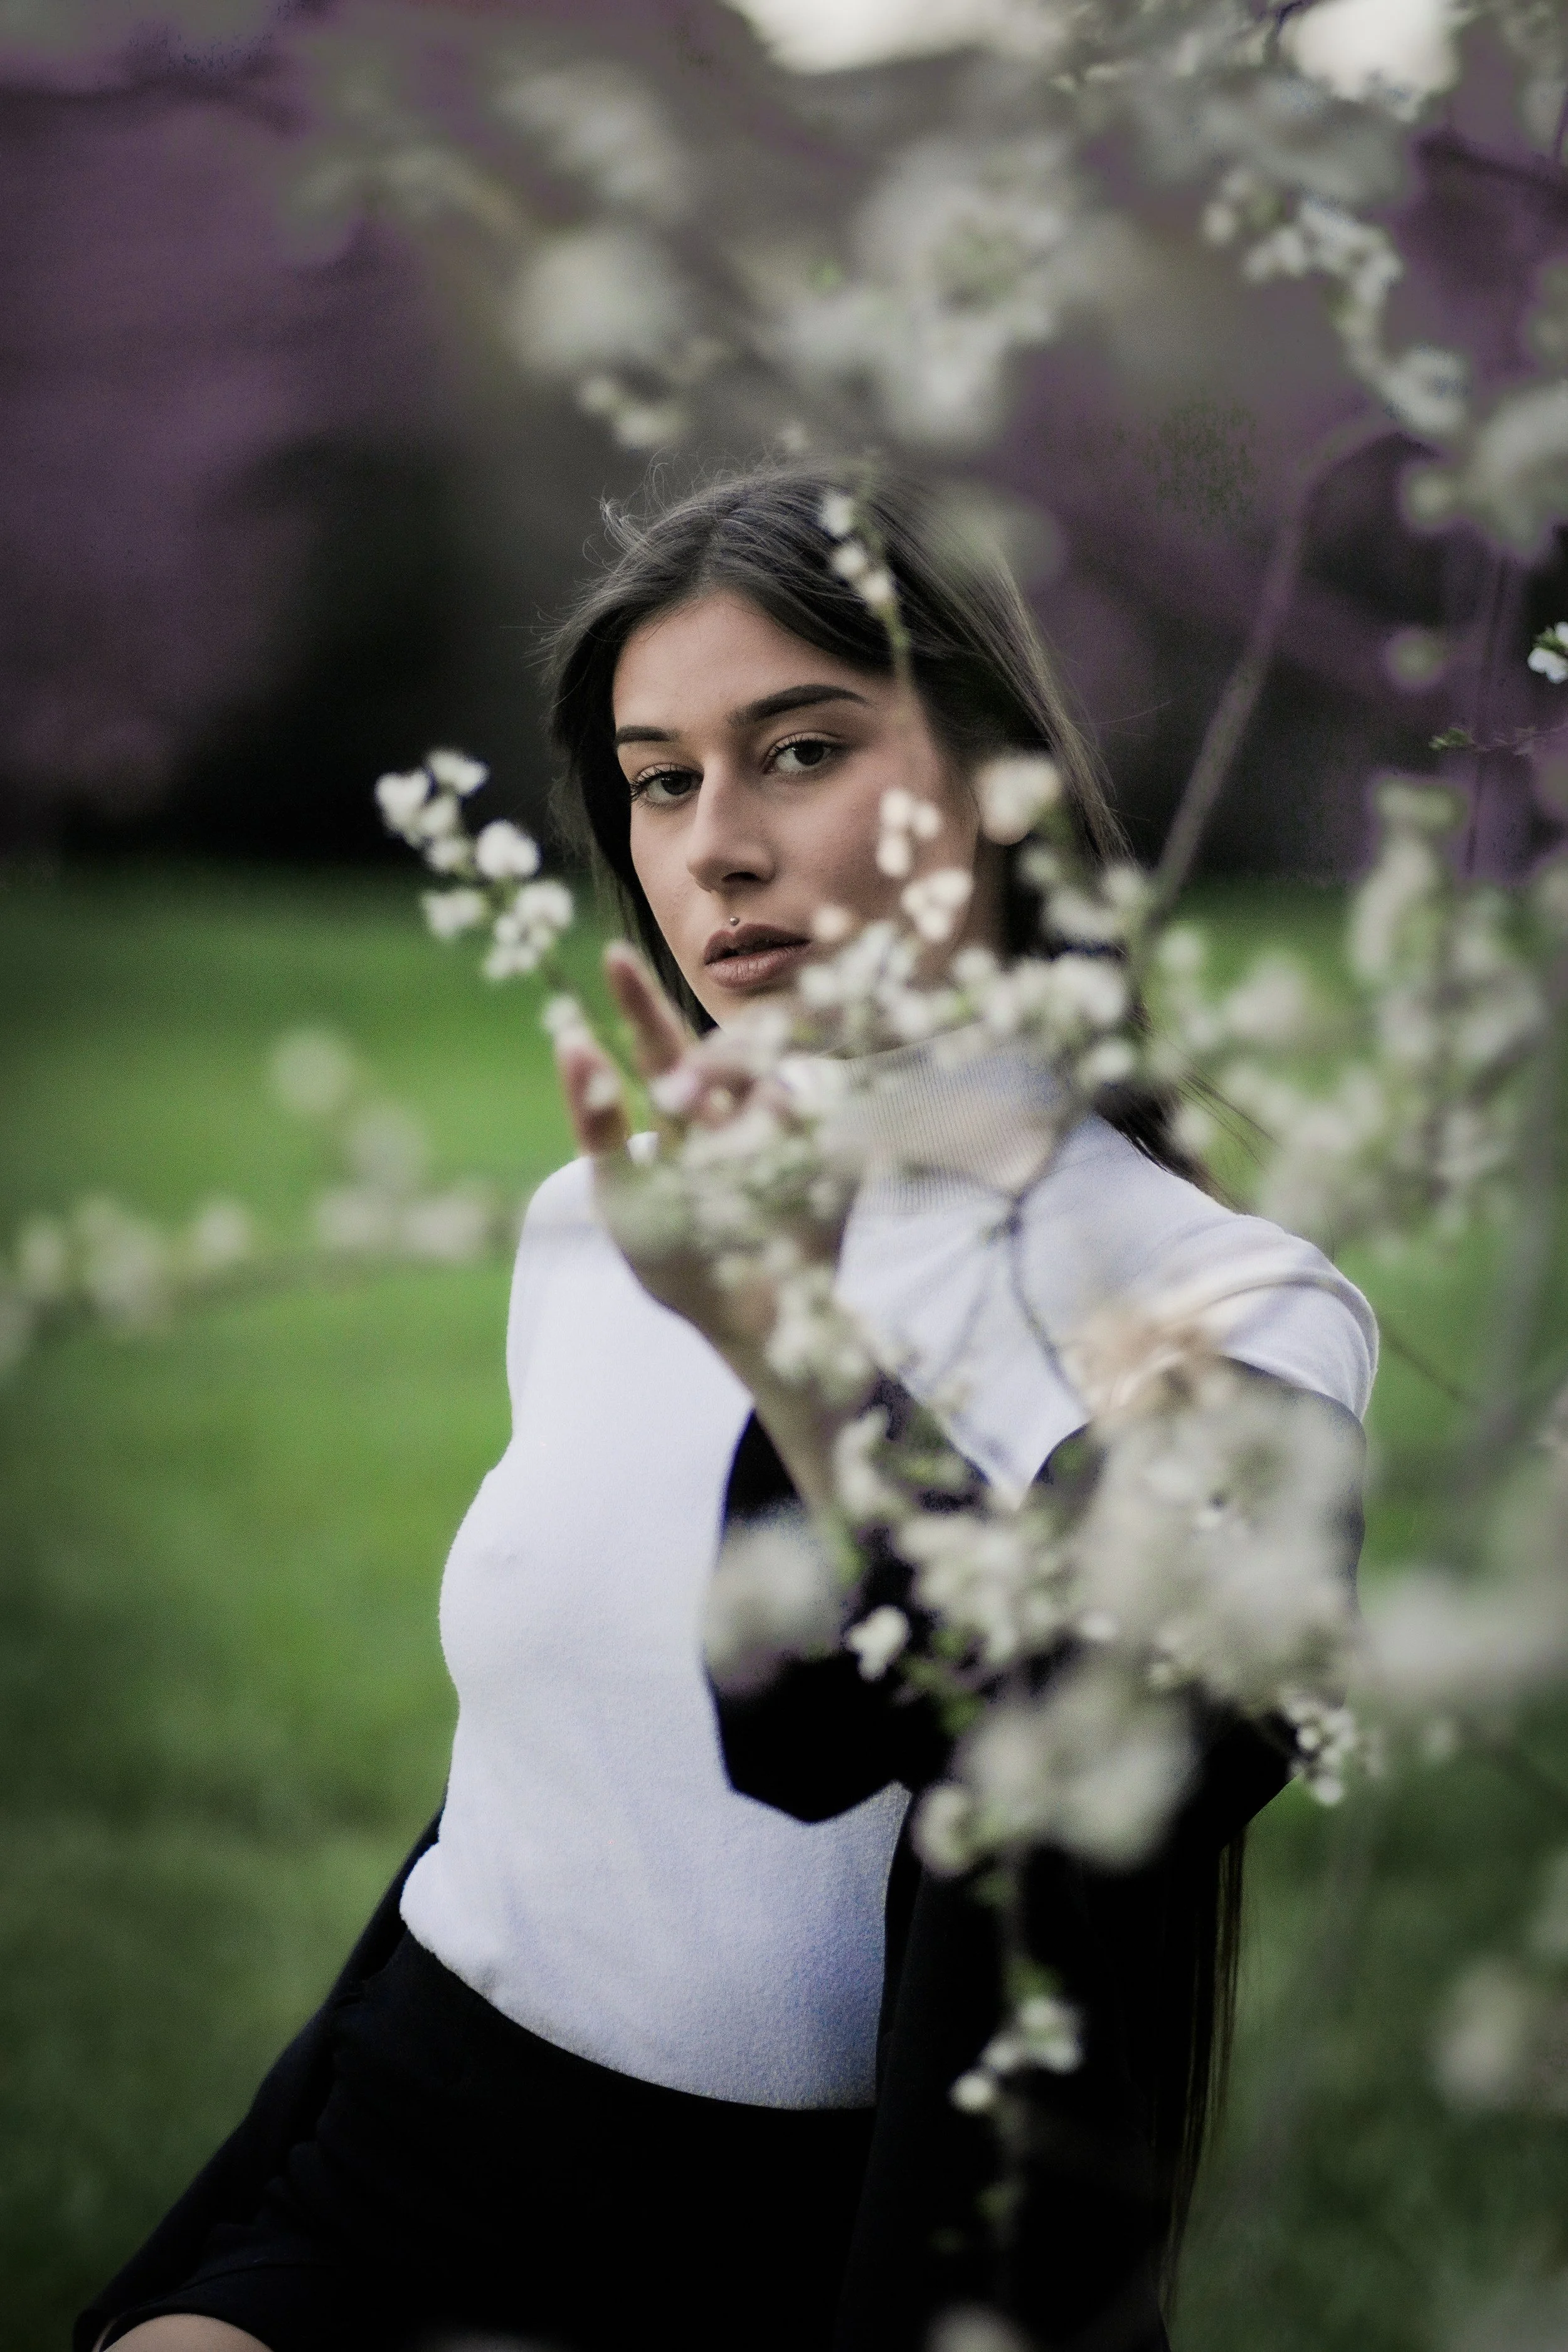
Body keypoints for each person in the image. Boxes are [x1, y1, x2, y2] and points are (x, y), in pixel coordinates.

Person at [80, 465, 1375, 2352]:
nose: (715, 846)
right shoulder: (592, 1230)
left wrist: (799, 1358)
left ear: (997, 782)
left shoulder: (1218, 1310)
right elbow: (521, 1817)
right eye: (660, 776)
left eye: (799, 749)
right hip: (394, 2136)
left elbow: (1119, 1729)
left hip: (779, 2251)